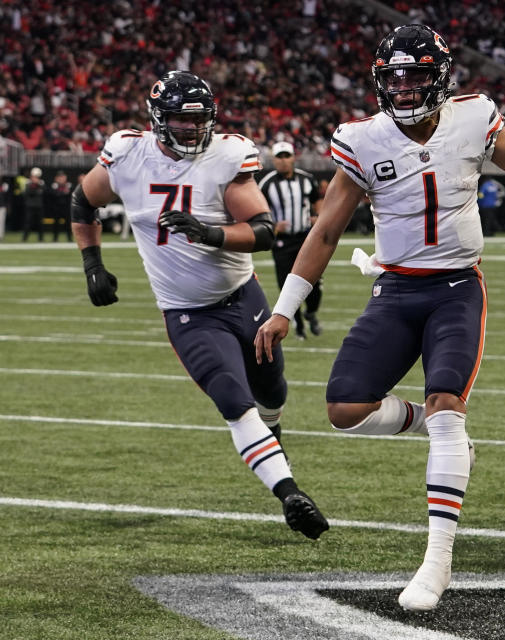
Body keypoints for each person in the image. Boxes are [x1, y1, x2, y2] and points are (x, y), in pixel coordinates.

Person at [255, 23, 505, 611]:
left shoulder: (473, 118)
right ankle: (442, 433)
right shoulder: (363, 139)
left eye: (415, 74)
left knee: (448, 409)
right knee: (344, 408)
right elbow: (325, 230)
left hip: (455, 290)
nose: (403, 86)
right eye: (392, 75)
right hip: (394, 289)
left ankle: (436, 561)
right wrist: (283, 310)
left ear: (439, 75)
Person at [70, 70, 328, 541]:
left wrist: (209, 233)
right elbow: (82, 201)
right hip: (187, 311)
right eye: (180, 121)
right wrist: (92, 263)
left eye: (198, 121)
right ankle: (289, 492)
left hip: (242, 296)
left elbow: (265, 231)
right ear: (157, 120)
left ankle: (273, 435)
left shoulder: (226, 156)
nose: (191, 130)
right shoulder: (128, 154)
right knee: (231, 397)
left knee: (272, 389)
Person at [258, 141, 323, 339]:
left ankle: (310, 312)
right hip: (282, 242)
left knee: (314, 286)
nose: (284, 161)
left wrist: (319, 219)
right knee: (286, 285)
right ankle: (299, 326)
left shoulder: (307, 179)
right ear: (274, 160)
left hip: (305, 239)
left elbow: (318, 202)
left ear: (293, 158)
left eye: (287, 156)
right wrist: (274, 226)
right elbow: (259, 211)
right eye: (280, 157)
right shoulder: (267, 183)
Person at [22, 167, 45, 242]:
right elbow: (27, 193)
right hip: (30, 206)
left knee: (40, 223)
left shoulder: (41, 183)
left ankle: (41, 238)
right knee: (28, 222)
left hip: (39, 205)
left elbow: (44, 192)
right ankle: (25, 238)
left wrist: (37, 185)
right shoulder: (28, 183)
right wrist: (35, 187)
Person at [49, 171, 73, 242]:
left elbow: (71, 194)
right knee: (56, 223)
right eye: (60, 177)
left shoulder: (69, 185)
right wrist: (63, 193)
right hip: (57, 208)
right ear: (56, 178)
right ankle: (55, 238)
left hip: (66, 207)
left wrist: (64, 193)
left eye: (63, 177)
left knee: (68, 223)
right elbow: (52, 194)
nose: (61, 179)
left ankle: (69, 238)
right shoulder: (54, 186)